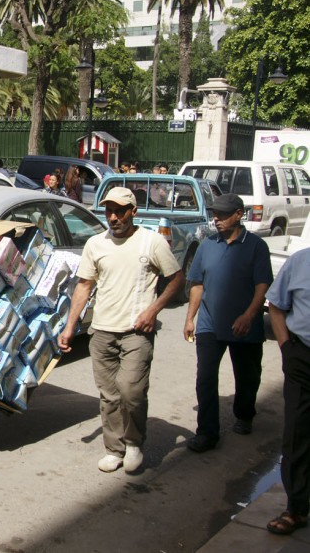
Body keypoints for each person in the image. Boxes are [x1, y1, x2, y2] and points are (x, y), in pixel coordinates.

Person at [59, 186, 183, 474]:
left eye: (119, 211)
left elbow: (176, 279)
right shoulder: (95, 244)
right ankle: (114, 448)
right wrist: (69, 326)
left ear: (133, 211)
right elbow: (84, 286)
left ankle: (135, 442)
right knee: (109, 395)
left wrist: (153, 310)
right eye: (109, 211)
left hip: (136, 332)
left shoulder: (151, 242)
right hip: (101, 330)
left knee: (131, 390)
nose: (113, 217)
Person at [183, 193, 272, 453]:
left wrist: (249, 315)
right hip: (210, 324)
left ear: (239, 214)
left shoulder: (256, 246)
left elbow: (262, 284)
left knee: (248, 376)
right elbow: (197, 284)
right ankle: (207, 432)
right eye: (214, 214)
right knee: (205, 378)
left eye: (222, 214)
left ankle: (244, 414)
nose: (217, 219)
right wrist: (190, 318)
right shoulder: (207, 245)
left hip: (245, 326)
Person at [266, 247, 310, 536]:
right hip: (302, 359)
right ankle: (296, 508)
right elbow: (277, 305)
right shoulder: (300, 261)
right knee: (296, 435)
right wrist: (286, 348)